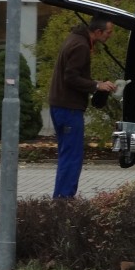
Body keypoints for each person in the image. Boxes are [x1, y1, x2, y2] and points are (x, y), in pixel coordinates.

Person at [48, 16, 116, 199]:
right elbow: (70, 77)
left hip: (60, 106)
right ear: (98, 32)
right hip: (68, 108)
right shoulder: (81, 46)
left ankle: (60, 200)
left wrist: (96, 84)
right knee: (72, 157)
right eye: (109, 32)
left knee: (66, 155)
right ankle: (64, 202)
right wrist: (96, 86)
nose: (111, 36)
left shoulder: (75, 39)